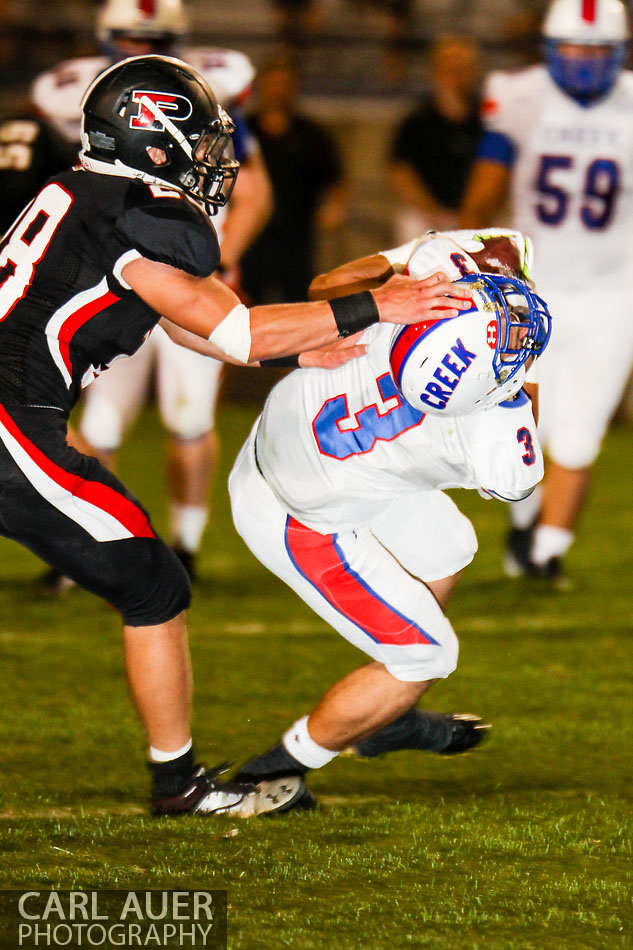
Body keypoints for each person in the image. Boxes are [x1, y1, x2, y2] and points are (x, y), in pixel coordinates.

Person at [0, 54, 468, 817]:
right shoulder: (137, 211)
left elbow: (191, 322)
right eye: (198, 139)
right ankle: (177, 785)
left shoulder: (81, 192)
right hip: (12, 423)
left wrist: (292, 343)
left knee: (146, 578)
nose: (212, 158)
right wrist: (375, 308)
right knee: (151, 582)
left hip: (17, 415)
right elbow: (236, 328)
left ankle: (176, 780)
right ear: (150, 138)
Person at [226, 230, 551, 806]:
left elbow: (325, 287)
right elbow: (518, 473)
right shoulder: (494, 433)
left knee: (450, 545)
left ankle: (386, 713)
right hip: (299, 517)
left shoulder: (429, 281)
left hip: (298, 442)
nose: (509, 322)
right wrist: (517, 386)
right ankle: (279, 767)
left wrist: (389, 290)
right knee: (428, 654)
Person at [30, 0, 273, 585]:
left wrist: (228, 256)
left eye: (155, 38)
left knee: (187, 415)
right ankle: (85, 548)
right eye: (129, 39)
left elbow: (254, 188)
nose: (140, 50)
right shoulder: (80, 102)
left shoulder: (201, 97)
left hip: (186, 276)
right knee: (104, 422)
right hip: (119, 274)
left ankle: (184, 544)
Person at [459, 0, 633, 586]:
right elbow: (488, 182)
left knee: (581, 430)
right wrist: (462, 247)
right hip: (534, 287)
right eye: (573, 49)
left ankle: (547, 553)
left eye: (596, 50)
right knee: (525, 420)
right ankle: (528, 524)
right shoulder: (520, 95)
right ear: (550, 50)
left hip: (614, 292)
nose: (583, 62)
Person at [241, 54, 348, 305]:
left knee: (298, 301)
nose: (278, 91)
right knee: (245, 304)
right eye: (273, 83)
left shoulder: (311, 134)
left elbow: (336, 180)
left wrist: (334, 208)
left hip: (297, 234)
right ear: (261, 87)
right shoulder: (243, 130)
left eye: (284, 84)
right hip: (250, 235)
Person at [389, 34, 483, 244]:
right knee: (411, 227)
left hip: (476, 213)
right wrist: (433, 211)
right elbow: (401, 172)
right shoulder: (417, 121)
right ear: (435, 71)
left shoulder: (486, 120)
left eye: (462, 69)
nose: (455, 76)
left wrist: (473, 213)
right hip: (428, 215)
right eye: (449, 68)